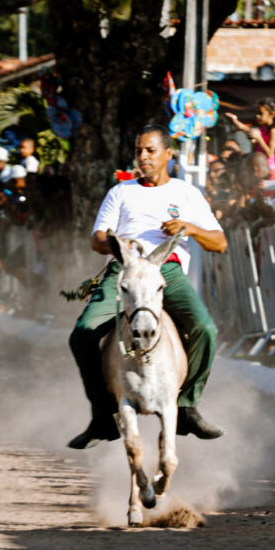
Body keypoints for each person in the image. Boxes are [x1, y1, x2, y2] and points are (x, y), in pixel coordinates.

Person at [67, 124, 229, 450]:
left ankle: (187, 407)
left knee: (206, 329)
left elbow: (220, 243)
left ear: (169, 154)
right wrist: (116, 241)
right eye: (139, 150)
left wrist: (190, 227)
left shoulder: (186, 193)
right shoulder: (121, 192)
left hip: (166, 272)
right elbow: (98, 239)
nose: (143, 157)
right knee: (83, 332)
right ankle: (102, 414)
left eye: (150, 150)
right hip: (124, 271)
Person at [225, 97, 275, 178]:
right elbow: (252, 135)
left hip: (270, 169)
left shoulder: (274, 130)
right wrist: (240, 126)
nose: (257, 116)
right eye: (256, 113)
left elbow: (270, 154)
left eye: (260, 113)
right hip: (257, 169)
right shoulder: (262, 128)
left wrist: (259, 139)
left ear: (272, 114)